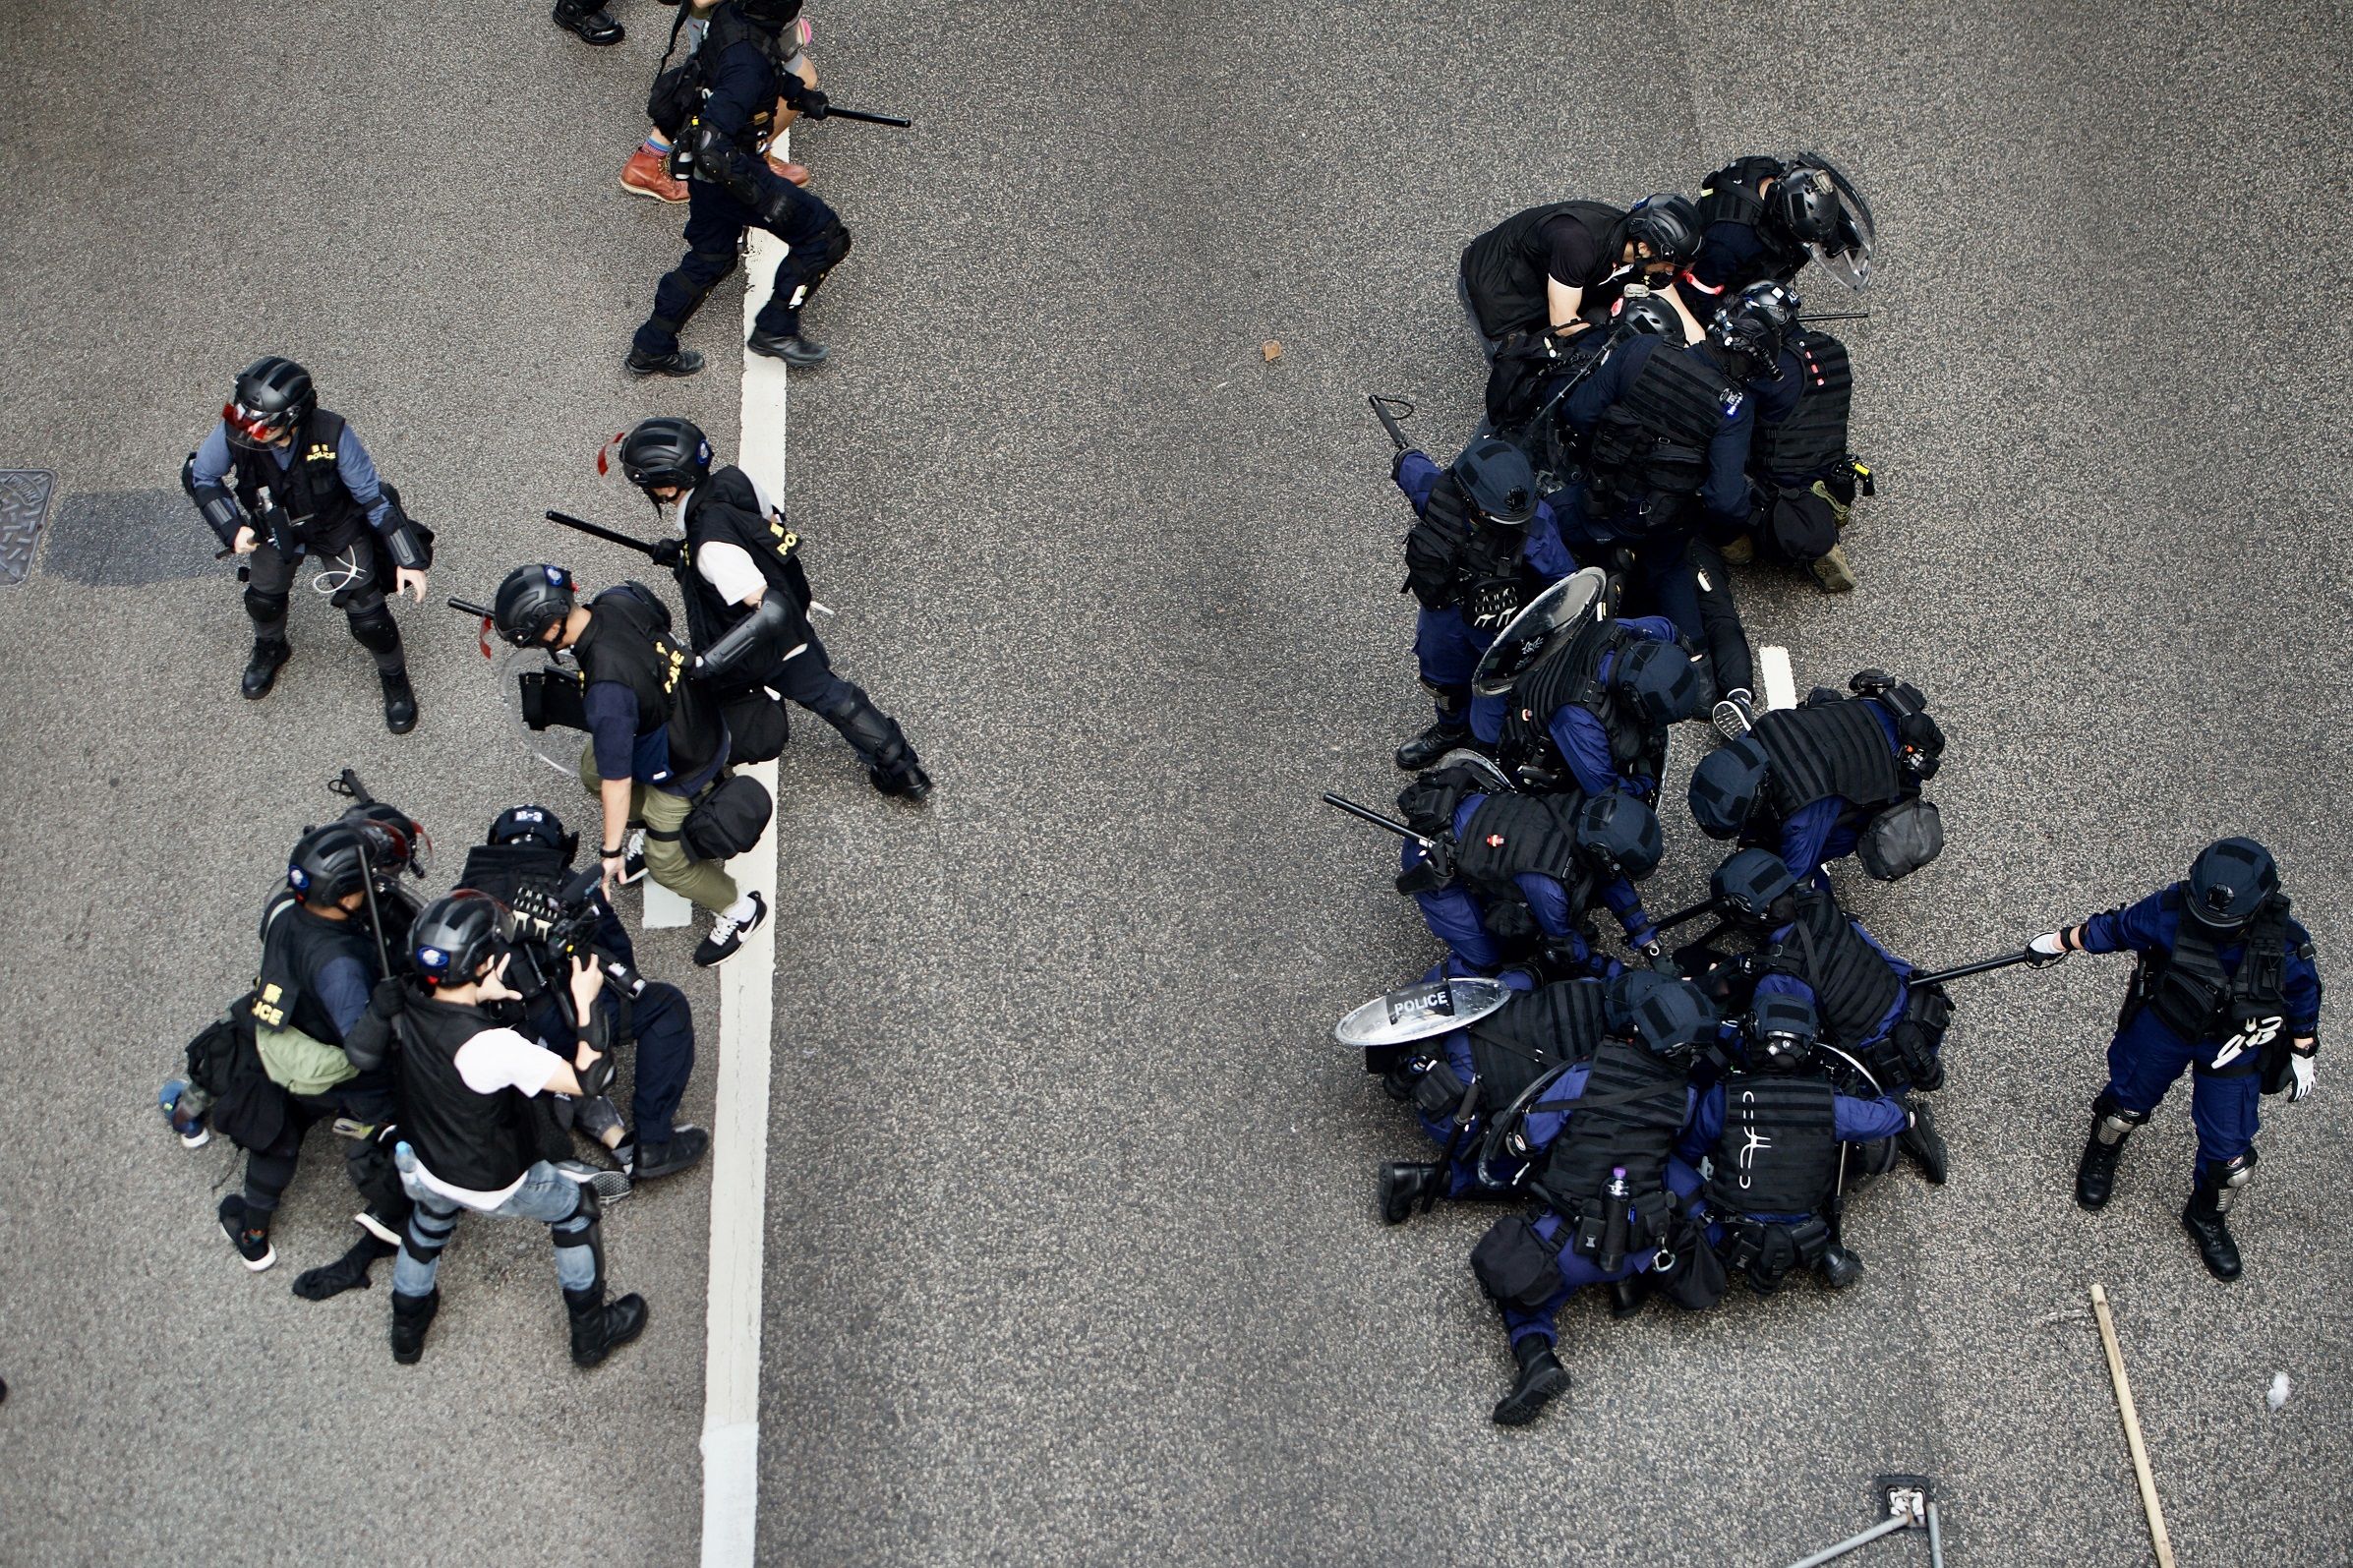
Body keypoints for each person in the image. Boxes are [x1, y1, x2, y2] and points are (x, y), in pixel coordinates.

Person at [355, 893, 649, 1368]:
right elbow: (590, 1081)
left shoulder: (405, 997)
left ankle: (406, 1333)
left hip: (424, 1161)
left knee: (428, 1224)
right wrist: (586, 1000)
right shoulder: (493, 1048)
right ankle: (592, 1334)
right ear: (484, 964)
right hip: (491, 1179)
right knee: (577, 1208)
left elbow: (365, 1054)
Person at [2029, 838, 2323, 1280]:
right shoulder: (2170, 909)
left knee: (2231, 1161)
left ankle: (2205, 1216)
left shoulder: (2285, 943)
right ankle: (2103, 1152)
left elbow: (2303, 995)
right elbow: (2117, 928)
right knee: (2123, 1108)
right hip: (2166, 1023)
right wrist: (2057, 942)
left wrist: (2304, 1049)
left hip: (2234, 1045)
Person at [616, 417, 931, 798]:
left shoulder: (711, 549)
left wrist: (708, 664)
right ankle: (903, 769)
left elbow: (766, 608)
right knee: (830, 693)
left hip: (760, 645)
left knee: (695, 703)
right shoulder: (735, 480)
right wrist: (683, 554)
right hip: (794, 613)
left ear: (666, 486)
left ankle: (699, 782)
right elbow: (765, 525)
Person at [489, 563, 770, 967]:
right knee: (592, 768)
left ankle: (739, 908)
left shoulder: (608, 696)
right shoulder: (616, 600)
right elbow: (660, 619)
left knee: (666, 863)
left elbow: (617, 783)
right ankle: (660, 832)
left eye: (532, 638)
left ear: (551, 629)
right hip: (693, 714)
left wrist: (611, 852)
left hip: (683, 765)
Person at [1468, 973, 1715, 1426]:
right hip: (1641, 1243)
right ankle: (1623, 1286)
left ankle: (1538, 1359)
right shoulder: (1687, 1097)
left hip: (1569, 1243)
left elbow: (1527, 1141)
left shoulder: (1583, 1077)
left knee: (1515, 1284)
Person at [457, 805, 711, 1183]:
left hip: (488, 1034)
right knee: (665, 1007)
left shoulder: (463, 897)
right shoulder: (569, 886)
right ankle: (654, 1144)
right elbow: (618, 951)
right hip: (565, 1018)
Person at [212, 821, 421, 1276]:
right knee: (383, 1114)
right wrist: (382, 1010)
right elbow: (363, 1051)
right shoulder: (340, 965)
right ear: (347, 892)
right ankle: (398, 1205)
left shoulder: (286, 909)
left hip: (282, 1037)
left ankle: (253, 1235)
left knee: (276, 1132)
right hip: (334, 1062)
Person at [181, 357, 432, 731]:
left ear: (291, 419)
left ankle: (394, 676)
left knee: (370, 620)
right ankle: (272, 646)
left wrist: (407, 558)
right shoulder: (237, 427)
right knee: (263, 600)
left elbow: (373, 497)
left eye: (258, 423)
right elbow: (202, 475)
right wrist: (232, 529)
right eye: (242, 415)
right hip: (271, 527)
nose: (245, 428)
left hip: (336, 529)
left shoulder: (333, 434)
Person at [1558, 308, 1758, 730]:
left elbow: (1578, 412)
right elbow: (1726, 501)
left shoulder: (1641, 350)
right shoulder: (1733, 407)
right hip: (1660, 527)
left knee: (1542, 527)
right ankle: (1699, 676)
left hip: (1594, 502)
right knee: (1672, 571)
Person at [629, 0, 853, 376]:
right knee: (824, 235)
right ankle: (775, 329)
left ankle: (651, 347)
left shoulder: (732, 15)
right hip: (730, 171)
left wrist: (797, 93)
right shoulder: (746, 67)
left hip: (708, 177)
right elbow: (713, 149)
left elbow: (756, 60)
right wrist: (765, 199)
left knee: (711, 258)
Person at [1681, 993, 1914, 1293]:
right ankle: (1825, 1251)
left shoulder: (1722, 1098)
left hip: (1724, 1231)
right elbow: (1883, 1118)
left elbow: (1689, 1151)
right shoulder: (1829, 1105)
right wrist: (1905, 1112)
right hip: (1806, 1231)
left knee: (1670, 1169)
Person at [1391, 436, 1576, 770]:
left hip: (1502, 624)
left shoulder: (1535, 528)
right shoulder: (1437, 492)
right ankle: (1450, 730)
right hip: (1444, 614)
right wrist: (1405, 455)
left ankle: (1483, 753)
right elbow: (1412, 469)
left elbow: (1561, 584)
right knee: (1439, 678)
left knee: (1495, 693)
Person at [1375, 976, 1614, 1220]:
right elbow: (1530, 1137)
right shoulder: (1603, 1072)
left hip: (1442, 1038)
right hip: (1456, 1116)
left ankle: (1407, 1064)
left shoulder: (1588, 984)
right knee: (1532, 1169)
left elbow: (1498, 988)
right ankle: (1421, 1179)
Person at [1394, 768, 1664, 980]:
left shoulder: (1584, 805)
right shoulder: (1549, 886)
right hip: (1431, 853)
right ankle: (1427, 1002)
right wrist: (1615, 973)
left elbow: (1612, 881)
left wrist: (1648, 942)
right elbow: (1566, 947)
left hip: (1473, 812)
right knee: (1484, 963)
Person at [1744, 880, 1955, 1150]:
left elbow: (1772, 1051)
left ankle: (1897, 1124)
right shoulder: (1819, 903)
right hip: (1921, 1023)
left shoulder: (1779, 980)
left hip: (1879, 1078)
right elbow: (1892, 963)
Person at [1687, 669, 1944, 884]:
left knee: (1836, 833)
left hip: (1897, 769)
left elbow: (1791, 876)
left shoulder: (1802, 815)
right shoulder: (1766, 726)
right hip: (1874, 710)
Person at [1474, 611, 1701, 801]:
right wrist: (1644, 782)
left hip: (1559, 675)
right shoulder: (1579, 720)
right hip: (1545, 747)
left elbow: (1666, 628)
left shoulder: (1614, 630)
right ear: (1633, 700)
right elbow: (1604, 791)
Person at [1729, 287, 1868, 593]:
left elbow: (1732, 415)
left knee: (1717, 467)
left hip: (1777, 485)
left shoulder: (1770, 374)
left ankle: (1738, 539)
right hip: (1829, 468)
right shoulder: (1833, 348)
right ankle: (1826, 509)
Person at [624, 2, 815, 201]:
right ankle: (751, 160)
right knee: (796, 77)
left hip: (750, 21)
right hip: (736, 22)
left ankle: (649, 159)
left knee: (706, 81)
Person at [1680, 155, 1867, 306]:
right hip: (1705, 270)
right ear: (1782, 219)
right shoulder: (1731, 243)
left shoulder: (1762, 168)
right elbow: (1696, 297)